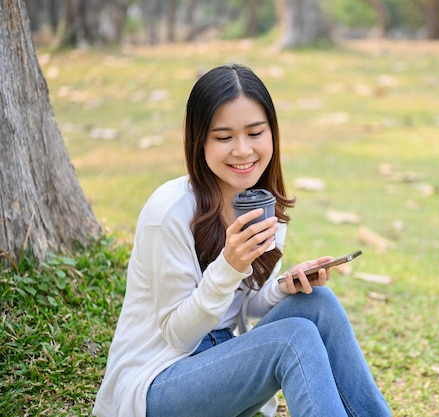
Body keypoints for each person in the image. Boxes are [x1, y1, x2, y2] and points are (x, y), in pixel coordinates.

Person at [93, 63, 392, 417]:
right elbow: (178, 336)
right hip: (157, 384)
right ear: (198, 140)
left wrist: (284, 287)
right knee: (291, 339)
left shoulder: (263, 205)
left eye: (255, 133)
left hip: (222, 366)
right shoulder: (168, 212)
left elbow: (246, 304)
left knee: (319, 303)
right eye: (224, 137)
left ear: (272, 135)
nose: (243, 150)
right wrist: (228, 267)